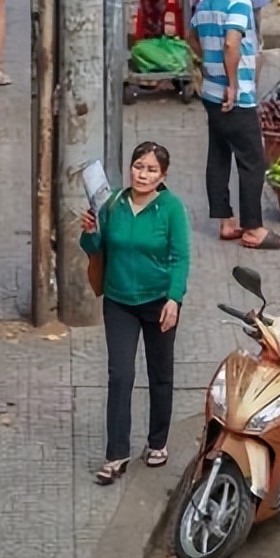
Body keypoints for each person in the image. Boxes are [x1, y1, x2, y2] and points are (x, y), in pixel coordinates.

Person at [80, 142, 191, 485]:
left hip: (158, 301)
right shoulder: (113, 204)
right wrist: (90, 235)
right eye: (139, 167)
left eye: (151, 170)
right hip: (118, 300)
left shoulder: (171, 209)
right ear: (130, 168)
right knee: (120, 375)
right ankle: (116, 454)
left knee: (160, 375)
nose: (143, 175)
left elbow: (180, 257)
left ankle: (157, 443)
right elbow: (97, 250)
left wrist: (174, 299)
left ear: (163, 176)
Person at [187, 0, 280, 250]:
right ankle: (253, 228)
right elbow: (233, 44)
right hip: (237, 96)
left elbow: (190, 36)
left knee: (219, 154)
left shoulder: (207, 1)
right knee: (252, 160)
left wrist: (209, 64)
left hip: (210, 92)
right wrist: (232, 83)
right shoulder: (239, 2)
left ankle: (225, 220)